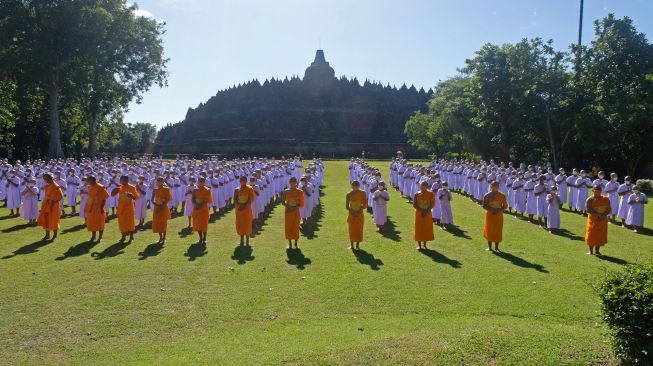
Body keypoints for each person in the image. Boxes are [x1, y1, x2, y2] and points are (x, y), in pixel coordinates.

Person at [112, 175, 139, 243]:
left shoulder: (132, 187)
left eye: (123, 180)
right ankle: (123, 237)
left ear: (127, 181)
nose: (121, 182)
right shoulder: (120, 187)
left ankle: (131, 237)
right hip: (121, 208)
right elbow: (112, 195)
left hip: (129, 208)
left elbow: (137, 197)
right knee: (121, 222)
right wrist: (114, 190)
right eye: (121, 180)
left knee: (130, 222)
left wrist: (131, 196)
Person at [585, 185, 611, 255]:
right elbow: (588, 210)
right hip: (593, 220)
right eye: (595, 191)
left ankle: (597, 251)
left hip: (603, 220)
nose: (597, 193)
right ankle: (591, 251)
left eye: (599, 191)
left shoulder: (605, 199)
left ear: (601, 191)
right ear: (592, 190)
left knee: (600, 235)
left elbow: (608, 210)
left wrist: (603, 215)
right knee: (591, 235)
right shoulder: (589, 199)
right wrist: (597, 214)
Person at [482, 181, 508, 252]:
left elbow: (505, 206)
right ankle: (490, 247)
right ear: (491, 187)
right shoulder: (487, 195)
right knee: (489, 230)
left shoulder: (502, 195)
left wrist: (499, 209)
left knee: (498, 230)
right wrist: (491, 209)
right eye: (494, 186)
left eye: (497, 186)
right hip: (490, 215)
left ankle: (496, 248)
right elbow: (484, 205)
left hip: (498, 215)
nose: (495, 187)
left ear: (499, 187)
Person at [36, 173, 63, 241]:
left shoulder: (56, 186)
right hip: (46, 205)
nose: (44, 180)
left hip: (54, 206)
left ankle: (55, 235)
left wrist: (53, 202)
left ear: (49, 178)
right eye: (44, 179)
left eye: (45, 179)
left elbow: (60, 196)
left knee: (54, 220)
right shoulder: (47, 186)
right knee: (46, 219)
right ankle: (47, 235)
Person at [85, 176, 110, 242]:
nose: (87, 182)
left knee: (100, 222)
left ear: (92, 181)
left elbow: (104, 198)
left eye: (88, 181)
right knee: (92, 222)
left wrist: (101, 208)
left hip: (98, 207)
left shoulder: (100, 187)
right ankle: (93, 236)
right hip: (90, 207)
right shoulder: (90, 187)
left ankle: (100, 237)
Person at [282, 177, 304, 248]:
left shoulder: (300, 192)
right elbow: (282, 202)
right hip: (288, 211)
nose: (292, 184)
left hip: (296, 211)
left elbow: (301, 203)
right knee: (288, 227)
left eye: (294, 182)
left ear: (296, 183)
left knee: (295, 226)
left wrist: (294, 207)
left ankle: (296, 242)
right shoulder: (286, 191)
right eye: (291, 182)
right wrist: (288, 207)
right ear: (289, 183)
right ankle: (290, 243)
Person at [413, 181, 435, 250]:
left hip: (427, 214)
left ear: (426, 187)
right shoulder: (417, 194)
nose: (422, 187)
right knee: (418, 228)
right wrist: (421, 211)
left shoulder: (431, 194)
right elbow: (414, 204)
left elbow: (432, 204)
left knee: (426, 228)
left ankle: (424, 245)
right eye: (421, 186)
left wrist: (426, 211)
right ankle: (419, 246)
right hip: (419, 213)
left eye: (424, 186)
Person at [346, 180, 367, 250]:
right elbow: (347, 206)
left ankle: (357, 245)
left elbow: (365, 204)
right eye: (354, 186)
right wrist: (352, 211)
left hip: (359, 214)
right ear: (352, 186)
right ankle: (352, 246)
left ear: (359, 186)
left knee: (359, 229)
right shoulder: (349, 194)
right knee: (351, 230)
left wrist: (359, 210)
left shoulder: (363, 193)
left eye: (357, 186)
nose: (355, 188)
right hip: (351, 214)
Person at [235, 176, 255, 246]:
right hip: (239, 209)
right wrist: (240, 205)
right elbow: (235, 199)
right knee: (240, 224)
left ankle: (247, 240)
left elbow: (250, 199)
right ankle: (241, 240)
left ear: (246, 181)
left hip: (247, 209)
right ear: (240, 181)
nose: (243, 182)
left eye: (244, 180)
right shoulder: (237, 189)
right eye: (241, 180)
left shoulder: (250, 188)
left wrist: (244, 206)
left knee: (247, 224)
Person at [192, 176, 212, 244]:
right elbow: (193, 198)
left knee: (204, 224)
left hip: (203, 209)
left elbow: (208, 200)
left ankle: (204, 238)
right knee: (198, 224)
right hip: (196, 208)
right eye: (199, 182)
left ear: (204, 182)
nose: (200, 183)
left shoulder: (207, 190)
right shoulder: (195, 189)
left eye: (202, 182)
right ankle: (200, 238)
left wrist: (200, 205)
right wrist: (196, 204)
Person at [151, 177, 172, 244]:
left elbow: (168, 199)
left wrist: (162, 205)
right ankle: (160, 237)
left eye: (160, 181)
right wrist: (156, 204)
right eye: (158, 181)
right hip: (157, 207)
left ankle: (164, 238)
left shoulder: (166, 189)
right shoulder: (155, 190)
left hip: (163, 207)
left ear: (163, 182)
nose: (158, 183)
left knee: (163, 222)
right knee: (157, 222)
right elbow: (152, 199)